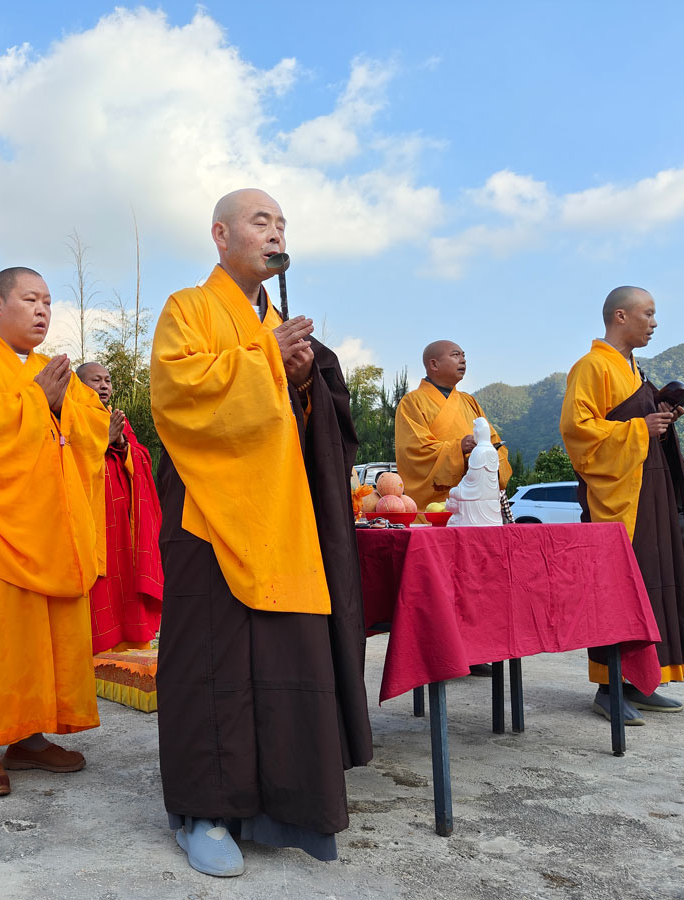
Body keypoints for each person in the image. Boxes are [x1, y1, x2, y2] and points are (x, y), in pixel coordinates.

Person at [150, 189, 372, 877]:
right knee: (212, 664)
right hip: (209, 517)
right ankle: (206, 811)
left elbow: (304, 427)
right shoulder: (188, 308)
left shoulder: (279, 323)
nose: (275, 232)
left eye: (281, 223)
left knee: (284, 660)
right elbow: (175, 393)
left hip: (278, 516)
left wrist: (306, 383)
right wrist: (264, 357)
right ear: (220, 235)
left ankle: (286, 801)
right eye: (260, 221)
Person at [0, 266, 110, 798]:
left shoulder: (52, 368)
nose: (42, 310)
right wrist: (38, 401)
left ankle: (30, 738)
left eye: (48, 302)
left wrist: (59, 405)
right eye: (30, 299)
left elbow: (92, 432)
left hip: (50, 529)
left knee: (44, 637)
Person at [560, 286, 684, 724]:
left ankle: (642, 681)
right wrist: (640, 427)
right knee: (619, 590)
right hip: (617, 501)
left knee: (657, 582)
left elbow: (626, 423)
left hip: (649, 491)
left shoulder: (633, 370)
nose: (655, 323)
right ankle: (608, 686)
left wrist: (659, 416)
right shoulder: (591, 367)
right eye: (649, 314)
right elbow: (578, 433)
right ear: (620, 316)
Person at [74, 362, 163, 654]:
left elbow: (141, 459)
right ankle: (97, 654)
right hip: (95, 519)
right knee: (101, 584)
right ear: (78, 385)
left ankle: (134, 647)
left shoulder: (118, 419)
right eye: (95, 380)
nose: (104, 386)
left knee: (127, 578)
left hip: (125, 521)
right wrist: (103, 440)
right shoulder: (71, 416)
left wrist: (122, 442)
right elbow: (68, 461)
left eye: (108, 380)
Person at [395, 340, 511, 510]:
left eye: (464, 356)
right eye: (456, 355)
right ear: (433, 364)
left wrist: (487, 452)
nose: (463, 360)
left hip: (476, 502)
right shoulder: (412, 402)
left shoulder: (469, 401)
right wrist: (458, 448)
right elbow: (414, 453)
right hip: (433, 508)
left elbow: (494, 442)